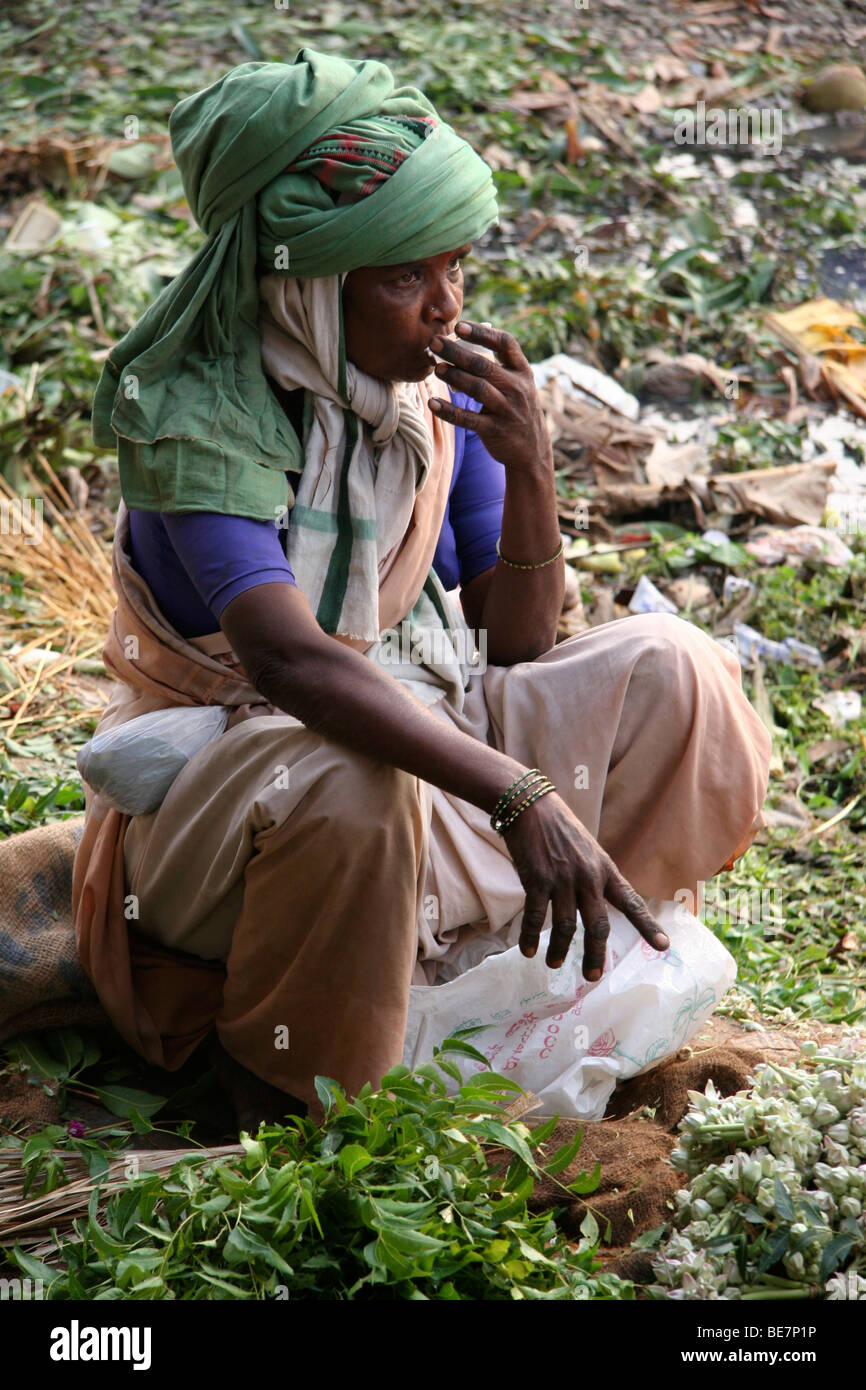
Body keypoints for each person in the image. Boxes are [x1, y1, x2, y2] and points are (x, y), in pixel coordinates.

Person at [73, 49, 772, 1129]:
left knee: (675, 668)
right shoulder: (197, 418)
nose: (444, 306)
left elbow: (516, 647)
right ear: (302, 279)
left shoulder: (426, 400)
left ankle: (523, 949)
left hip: (430, 735)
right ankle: (285, 1076)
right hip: (242, 798)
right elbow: (286, 662)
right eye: (403, 276)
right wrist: (519, 793)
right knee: (354, 780)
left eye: (455, 267)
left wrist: (529, 464)